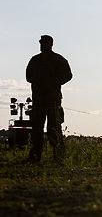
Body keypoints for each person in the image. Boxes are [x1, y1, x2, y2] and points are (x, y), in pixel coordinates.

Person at [26, 35, 72, 163]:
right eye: (41, 43)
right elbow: (29, 77)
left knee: (54, 129)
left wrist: (54, 83)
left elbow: (68, 76)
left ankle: (59, 157)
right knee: (36, 130)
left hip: (53, 100)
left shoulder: (58, 60)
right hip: (38, 101)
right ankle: (35, 157)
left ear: (51, 44)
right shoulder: (35, 60)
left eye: (45, 43)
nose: (42, 45)